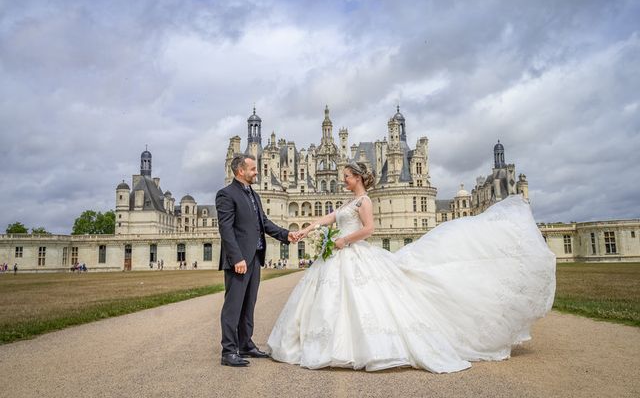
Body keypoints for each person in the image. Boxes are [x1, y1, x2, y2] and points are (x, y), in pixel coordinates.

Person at [267, 161, 556, 373]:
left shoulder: (365, 201)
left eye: (345, 176)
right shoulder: (349, 201)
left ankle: (360, 347)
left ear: (356, 177)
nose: (343, 180)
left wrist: (344, 240)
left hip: (352, 251)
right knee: (334, 300)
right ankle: (331, 345)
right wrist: (307, 229)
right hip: (341, 254)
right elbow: (329, 217)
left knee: (364, 300)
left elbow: (369, 229)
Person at [216, 153, 298, 367]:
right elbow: (225, 229)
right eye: (253, 169)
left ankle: (245, 344)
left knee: (248, 304)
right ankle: (228, 351)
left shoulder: (254, 195)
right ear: (241, 171)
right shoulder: (226, 194)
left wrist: (285, 235)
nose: (257, 172)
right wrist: (236, 258)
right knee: (233, 306)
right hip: (240, 260)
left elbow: (264, 223)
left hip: (254, 258)